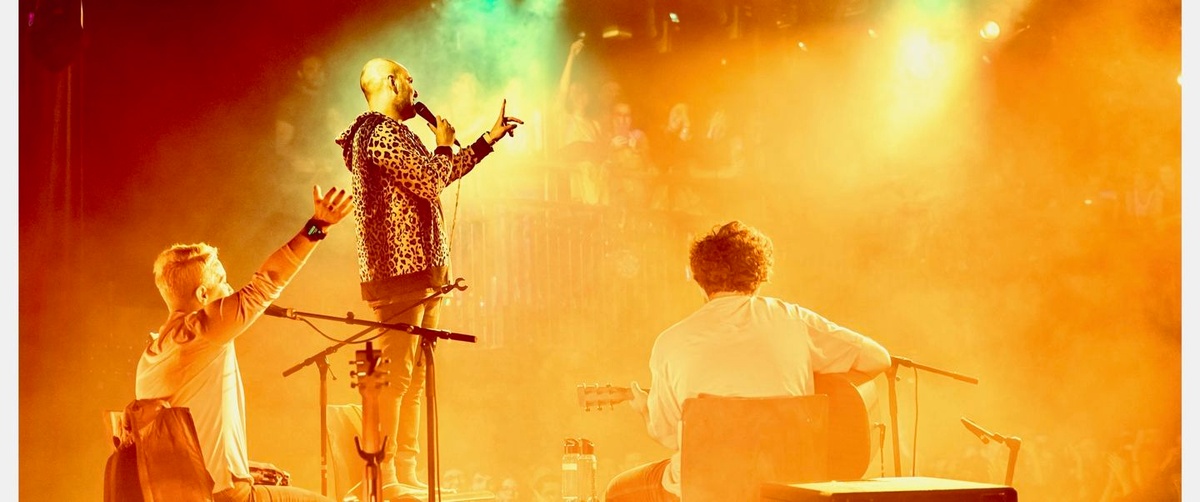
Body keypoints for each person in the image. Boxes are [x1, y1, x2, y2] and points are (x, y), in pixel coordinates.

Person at [334, 57, 522, 499]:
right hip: (398, 273)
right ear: (390, 82)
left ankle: (406, 468)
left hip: (423, 274)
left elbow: (439, 173)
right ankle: (382, 475)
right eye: (410, 80)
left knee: (415, 378)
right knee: (394, 378)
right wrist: (442, 146)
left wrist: (486, 140)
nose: (416, 89)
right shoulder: (377, 133)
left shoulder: (396, 133)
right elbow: (429, 179)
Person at [603, 221, 892, 502]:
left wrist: (646, 411)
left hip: (707, 490)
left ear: (699, 279)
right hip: (791, 488)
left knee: (618, 491)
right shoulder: (793, 320)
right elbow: (878, 358)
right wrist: (816, 381)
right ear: (758, 275)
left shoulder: (669, 342)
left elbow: (669, 436)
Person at [135, 185, 354, 502]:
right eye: (223, 282)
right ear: (202, 295)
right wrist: (317, 226)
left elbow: (185, 447)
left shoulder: (151, 357)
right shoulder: (201, 330)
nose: (230, 289)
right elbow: (267, 283)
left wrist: (242, 467)